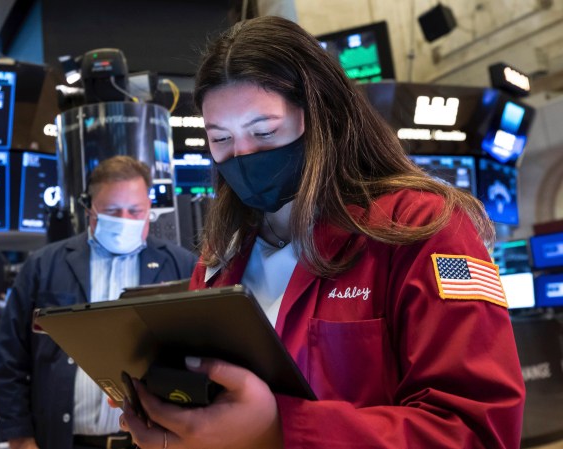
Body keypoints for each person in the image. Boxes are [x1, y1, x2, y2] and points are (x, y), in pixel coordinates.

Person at [119, 16, 525, 449]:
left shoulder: (421, 227)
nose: (243, 156)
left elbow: (479, 432)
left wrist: (283, 430)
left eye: (264, 132)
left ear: (321, 117)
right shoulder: (222, 257)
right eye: (220, 139)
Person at [0, 155, 197, 449]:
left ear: (149, 210)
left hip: (152, 441)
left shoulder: (182, 267)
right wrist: (20, 439)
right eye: (113, 211)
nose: (125, 220)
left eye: (135, 210)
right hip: (63, 440)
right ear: (91, 209)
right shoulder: (44, 266)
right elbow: (9, 360)